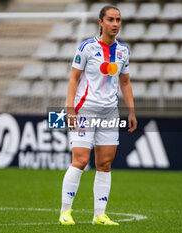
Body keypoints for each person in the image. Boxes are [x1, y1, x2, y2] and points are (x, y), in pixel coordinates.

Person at [59, 5, 137, 226]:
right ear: (100, 22)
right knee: (81, 160)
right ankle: (65, 211)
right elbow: (74, 78)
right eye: (111, 19)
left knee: (105, 164)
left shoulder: (123, 51)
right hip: (85, 109)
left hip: (110, 112)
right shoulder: (86, 47)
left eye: (118, 20)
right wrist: (70, 108)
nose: (115, 24)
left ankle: (99, 215)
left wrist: (131, 110)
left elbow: (125, 81)